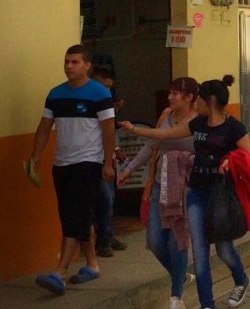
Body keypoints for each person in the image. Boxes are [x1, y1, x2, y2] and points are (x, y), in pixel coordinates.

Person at [121, 75, 250, 309]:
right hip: (196, 194)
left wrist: (229, 161)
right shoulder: (197, 125)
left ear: (209, 100)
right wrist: (136, 131)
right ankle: (207, 304)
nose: (197, 104)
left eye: (200, 99)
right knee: (200, 255)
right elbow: (165, 135)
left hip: (221, 196)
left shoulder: (234, 128)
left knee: (224, 250)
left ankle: (241, 279)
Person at [29, 46, 115, 294]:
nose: (69, 66)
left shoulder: (99, 93)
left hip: (88, 163)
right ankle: (92, 265)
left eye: (75, 62)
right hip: (61, 163)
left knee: (73, 215)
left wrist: (107, 163)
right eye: (66, 61)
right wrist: (36, 156)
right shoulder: (55, 94)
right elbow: (45, 126)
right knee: (76, 215)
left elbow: (108, 130)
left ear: (87, 65)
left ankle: (60, 272)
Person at [118, 77, 198, 309]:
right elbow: (150, 146)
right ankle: (180, 275)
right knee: (154, 240)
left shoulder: (197, 122)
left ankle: (176, 297)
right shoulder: (166, 116)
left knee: (177, 240)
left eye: (175, 94)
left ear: (189, 97)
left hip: (184, 188)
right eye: (170, 93)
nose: (170, 97)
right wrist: (129, 169)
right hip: (160, 186)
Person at [88, 65, 126, 258]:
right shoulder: (89, 102)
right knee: (103, 200)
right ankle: (101, 241)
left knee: (109, 200)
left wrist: (115, 151)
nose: (108, 91)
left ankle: (107, 236)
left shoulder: (106, 103)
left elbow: (110, 131)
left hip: (107, 159)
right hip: (94, 159)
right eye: (105, 86)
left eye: (110, 87)